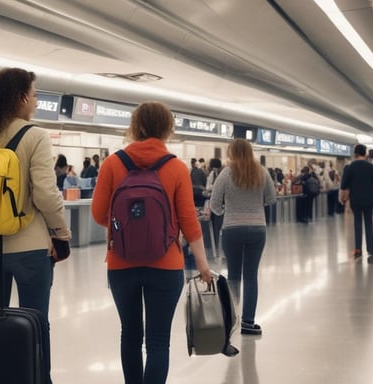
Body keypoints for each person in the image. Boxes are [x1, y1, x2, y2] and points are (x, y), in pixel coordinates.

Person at [91, 101, 211, 384]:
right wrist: (203, 265)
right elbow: (189, 224)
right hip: (166, 264)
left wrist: (126, 229)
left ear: (135, 126)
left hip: (121, 264)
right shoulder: (176, 168)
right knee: (158, 341)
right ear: (167, 129)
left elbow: (98, 214)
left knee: (130, 335)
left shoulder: (112, 163)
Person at [0, 67, 70, 383]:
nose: (36, 102)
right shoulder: (35, 135)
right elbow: (46, 193)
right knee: (36, 322)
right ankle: (39, 379)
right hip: (31, 248)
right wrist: (61, 233)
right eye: (35, 95)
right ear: (23, 97)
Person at [210, 138, 276, 336]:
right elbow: (271, 198)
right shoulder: (261, 172)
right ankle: (248, 322)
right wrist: (256, 205)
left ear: (231, 153)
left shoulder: (225, 173)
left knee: (234, 276)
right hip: (257, 228)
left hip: (232, 229)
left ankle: (231, 319)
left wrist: (226, 211)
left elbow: (214, 204)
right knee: (250, 276)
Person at [340, 144, 373, 263]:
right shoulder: (372, 168)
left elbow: (344, 186)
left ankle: (358, 249)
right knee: (369, 223)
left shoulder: (350, 167)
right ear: (365, 153)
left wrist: (343, 199)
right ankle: (371, 250)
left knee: (357, 223)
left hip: (355, 200)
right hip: (368, 199)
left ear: (355, 154)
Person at [204, 158, 224, 259]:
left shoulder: (213, 173)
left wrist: (214, 187)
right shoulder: (223, 172)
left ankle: (215, 247)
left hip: (214, 202)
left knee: (215, 225)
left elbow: (208, 187)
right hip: (222, 204)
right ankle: (219, 248)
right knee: (219, 226)